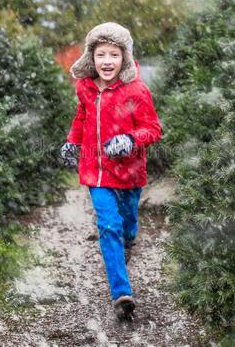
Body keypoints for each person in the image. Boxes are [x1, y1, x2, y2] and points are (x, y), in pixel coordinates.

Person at [59, 22, 163, 321]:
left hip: (129, 173)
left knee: (128, 223)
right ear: (91, 57)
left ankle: (128, 241)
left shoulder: (137, 90)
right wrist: (72, 143)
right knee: (108, 225)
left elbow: (153, 129)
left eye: (113, 55)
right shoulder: (86, 87)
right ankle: (121, 293)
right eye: (101, 54)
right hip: (97, 172)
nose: (107, 61)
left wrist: (130, 139)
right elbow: (81, 117)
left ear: (124, 58)